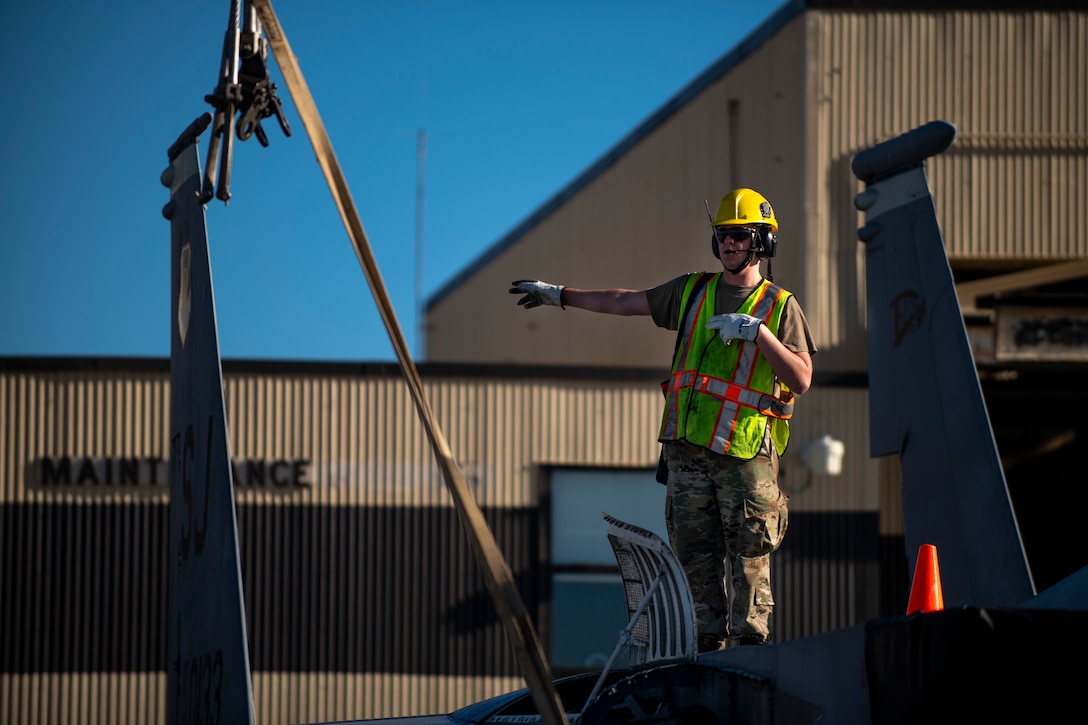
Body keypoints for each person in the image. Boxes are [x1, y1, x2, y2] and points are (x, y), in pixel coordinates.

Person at [509, 188, 816, 651]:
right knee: (695, 555)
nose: (728, 245)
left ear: (763, 242)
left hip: (744, 455)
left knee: (748, 557)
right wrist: (559, 295)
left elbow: (802, 377)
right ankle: (706, 652)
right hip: (687, 452)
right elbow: (625, 301)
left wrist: (759, 335)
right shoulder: (693, 291)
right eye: (722, 237)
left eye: (738, 235)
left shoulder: (779, 306)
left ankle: (752, 656)